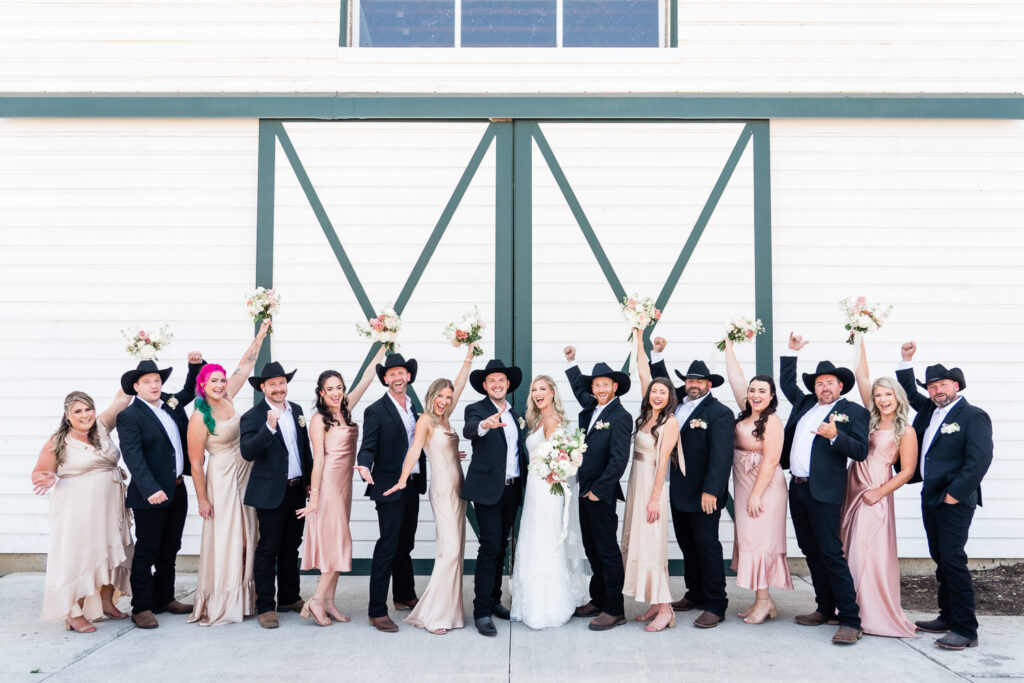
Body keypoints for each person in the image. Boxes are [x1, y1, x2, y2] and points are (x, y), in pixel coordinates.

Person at [897, 342, 993, 650]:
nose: (937, 390)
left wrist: (954, 494)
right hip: (930, 494)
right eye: (933, 386)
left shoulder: (972, 415)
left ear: (956, 385)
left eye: (942, 384)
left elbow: (979, 460)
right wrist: (906, 360)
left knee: (953, 560)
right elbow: (908, 392)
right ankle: (947, 615)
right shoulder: (929, 409)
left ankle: (966, 629)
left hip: (955, 498)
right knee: (941, 558)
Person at [382, 343, 477, 634]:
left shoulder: (445, 418)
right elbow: (414, 452)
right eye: (441, 395)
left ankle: (451, 612)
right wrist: (401, 480)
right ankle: (434, 615)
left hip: (459, 490)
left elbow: (460, 384)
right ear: (431, 395)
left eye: (449, 397)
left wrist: (469, 357)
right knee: (447, 551)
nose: (445, 400)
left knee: (456, 550)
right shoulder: (425, 420)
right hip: (442, 491)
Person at [780, 332, 868, 645]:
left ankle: (849, 619)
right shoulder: (804, 403)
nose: (824, 387)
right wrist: (790, 353)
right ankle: (824, 608)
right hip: (798, 488)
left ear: (840, 386)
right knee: (810, 550)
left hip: (826, 491)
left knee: (831, 552)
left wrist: (834, 436)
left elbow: (859, 450)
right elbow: (787, 384)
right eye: (819, 382)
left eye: (830, 382)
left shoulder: (854, 411)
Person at [295, 345, 387, 627]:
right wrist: (315, 498)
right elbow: (318, 461)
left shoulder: (346, 411)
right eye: (329, 388)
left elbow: (368, 379)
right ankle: (316, 601)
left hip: (345, 487)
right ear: (321, 393)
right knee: (337, 544)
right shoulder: (318, 420)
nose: (335, 392)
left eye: (339, 387)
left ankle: (331, 602)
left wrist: (384, 341)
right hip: (328, 487)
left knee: (338, 542)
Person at [186, 320, 270, 626]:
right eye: (214, 382)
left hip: (245, 470)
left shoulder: (230, 396)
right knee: (231, 538)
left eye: (222, 380)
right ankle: (226, 597)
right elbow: (196, 463)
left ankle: (248, 597)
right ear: (203, 385)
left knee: (251, 534)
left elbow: (244, 367)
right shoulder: (199, 417)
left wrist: (260, 335)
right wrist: (202, 499)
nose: (220, 385)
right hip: (221, 477)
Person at [116, 352, 206, 629]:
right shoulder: (130, 416)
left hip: (177, 489)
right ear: (136, 387)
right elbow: (133, 456)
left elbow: (191, 390)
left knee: (171, 548)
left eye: (157, 380)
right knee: (147, 551)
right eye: (148, 381)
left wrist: (194, 367)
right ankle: (141, 606)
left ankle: (165, 598)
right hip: (150, 495)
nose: (154, 385)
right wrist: (150, 488)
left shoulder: (169, 403)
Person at [650, 337, 734, 628]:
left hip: (704, 494)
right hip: (679, 491)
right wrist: (656, 354)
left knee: (708, 546)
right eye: (689, 380)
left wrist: (712, 490)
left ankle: (716, 604)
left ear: (709, 384)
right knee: (688, 545)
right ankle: (695, 593)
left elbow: (721, 457)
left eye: (700, 381)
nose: (694, 384)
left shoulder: (720, 413)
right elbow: (657, 384)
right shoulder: (677, 405)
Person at [33, 388, 133, 632]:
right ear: (68, 415)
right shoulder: (58, 440)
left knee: (112, 548)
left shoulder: (102, 426)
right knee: (82, 554)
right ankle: (74, 610)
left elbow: (122, 398)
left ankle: (107, 601)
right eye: (78, 411)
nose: (85, 415)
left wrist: (144, 354)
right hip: (77, 507)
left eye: (88, 409)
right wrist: (43, 477)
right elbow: (39, 471)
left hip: (111, 502)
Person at [839, 334, 918, 638]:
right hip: (853, 487)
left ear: (898, 397)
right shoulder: (869, 420)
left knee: (866, 552)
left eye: (888, 394)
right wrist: (859, 333)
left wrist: (879, 492)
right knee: (848, 549)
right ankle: (847, 607)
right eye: (879, 394)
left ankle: (867, 614)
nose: (883, 399)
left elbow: (908, 470)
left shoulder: (905, 430)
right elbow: (861, 375)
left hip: (874, 492)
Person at [509, 374, 590, 630]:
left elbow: (561, 461)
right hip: (535, 488)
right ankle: (531, 600)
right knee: (534, 538)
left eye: (542, 388)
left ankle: (547, 606)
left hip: (546, 489)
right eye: (534, 390)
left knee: (545, 539)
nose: (537, 393)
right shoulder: (537, 420)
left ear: (553, 392)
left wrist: (546, 468)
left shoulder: (554, 421)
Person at [723, 338, 793, 624]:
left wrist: (756, 494)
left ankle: (764, 601)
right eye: (752, 390)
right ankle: (763, 600)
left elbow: (772, 460)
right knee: (750, 540)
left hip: (764, 489)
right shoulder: (747, 412)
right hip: (744, 486)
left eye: (762, 391)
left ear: (772, 395)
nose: (755, 394)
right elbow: (735, 378)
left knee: (760, 541)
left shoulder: (772, 421)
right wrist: (728, 347)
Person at [239, 361, 313, 629]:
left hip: (296, 489)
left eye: (282, 383)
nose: (279, 388)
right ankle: (266, 606)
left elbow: (304, 448)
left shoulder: (298, 411)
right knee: (268, 547)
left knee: (292, 545)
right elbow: (247, 451)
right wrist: (268, 428)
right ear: (263, 387)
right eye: (273, 384)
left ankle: (290, 597)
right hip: (270, 493)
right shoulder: (252, 416)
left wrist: (309, 482)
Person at [564, 347, 632, 632]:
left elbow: (619, 460)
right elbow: (580, 389)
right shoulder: (592, 408)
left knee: (606, 550)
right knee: (591, 547)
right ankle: (598, 598)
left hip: (600, 494)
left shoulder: (620, 416)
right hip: (583, 490)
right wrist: (572, 363)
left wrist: (598, 490)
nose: (600, 389)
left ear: (614, 387)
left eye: (606, 384)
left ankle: (615, 608)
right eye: (596, 385)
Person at [355, 354, 425, 633]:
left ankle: (404, 595)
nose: (397, 378)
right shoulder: (376, 410)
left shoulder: (414, 408)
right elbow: (368, 444)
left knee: (405, 543)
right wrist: (363, 463)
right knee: (387, 545)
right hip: (387, 486)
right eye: (392, 374)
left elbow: (418, 444)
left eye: (402, 373)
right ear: (385, 378)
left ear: (408, 377)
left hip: (412, 484)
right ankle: (376, 610)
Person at [462, 358, 528, 637]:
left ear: (508, 384)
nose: (497, 385)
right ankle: (481, 611)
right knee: (489, 547)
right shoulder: (476, 410)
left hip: (512, 488)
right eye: (492, 381)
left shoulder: (515, 414)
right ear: (485, 386)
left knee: (502, 546)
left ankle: (495, 600)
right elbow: (469, 429)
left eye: (501, 380)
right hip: (488, 490)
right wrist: (484, 426)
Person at [622, 332, 680, 632]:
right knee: (638, 542)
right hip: (636, 480)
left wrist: (655, 498)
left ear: (671, 398)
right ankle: (656, 603)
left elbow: (662, 466)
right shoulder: (646, 415)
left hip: (652, 486)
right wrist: (639, 334)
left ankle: (667, 607)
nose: (657, 394)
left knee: (653, 545)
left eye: (663, 392)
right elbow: (643, 369)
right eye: (654, 391)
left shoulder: (669, 422)